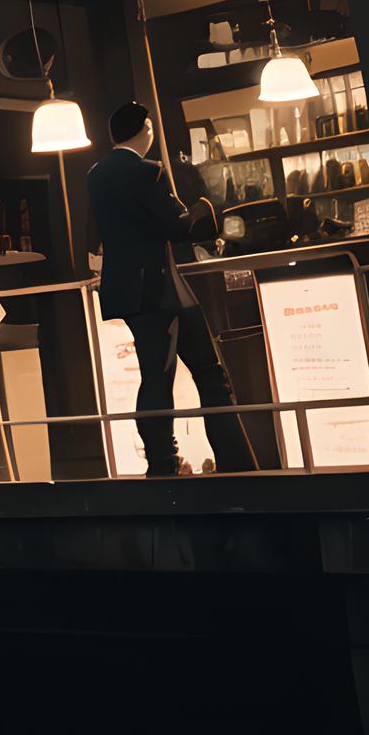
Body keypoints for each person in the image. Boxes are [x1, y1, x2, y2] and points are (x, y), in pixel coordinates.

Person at [90, 102, 249, 476]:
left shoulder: (96, 173)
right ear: (146, 129)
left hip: (127, 288)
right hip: (160, 288)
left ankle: (165, 462)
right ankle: (227, 461)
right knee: (204, 374)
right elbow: (179, 226)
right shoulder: (148, 171)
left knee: (158, 374)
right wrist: (206, 206)